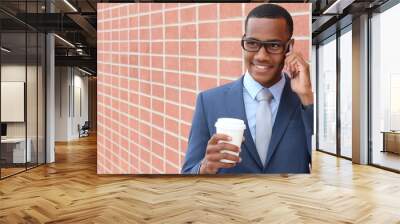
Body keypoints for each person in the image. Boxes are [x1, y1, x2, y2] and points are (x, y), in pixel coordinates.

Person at [181, 4, 313, 174]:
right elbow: (187, 175)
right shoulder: (209, 102)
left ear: (289, 47)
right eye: (252, 43)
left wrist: (307, 98)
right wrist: (204, 167)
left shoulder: (304, 102)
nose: (261, 56)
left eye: (273, 45)